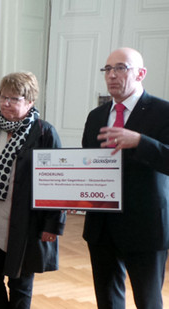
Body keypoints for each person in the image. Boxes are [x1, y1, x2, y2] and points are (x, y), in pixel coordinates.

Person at [0, 72, 66, 309]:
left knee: (20, 286)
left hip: (25, 223)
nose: (6, 103)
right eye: (2, 97)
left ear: (30, 101)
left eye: (14, 99)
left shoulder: (44, 133)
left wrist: (53, 224)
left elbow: (59, 183)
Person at [82, 47, 169, 309]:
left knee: (148, 301)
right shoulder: (96, 116)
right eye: (107, 69)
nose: (111, 75)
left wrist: (140, 142)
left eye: (121, 68)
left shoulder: (163, 112)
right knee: (107, 300)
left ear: (141, 73)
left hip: (145, 225)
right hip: (102, 224)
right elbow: (87, 164)